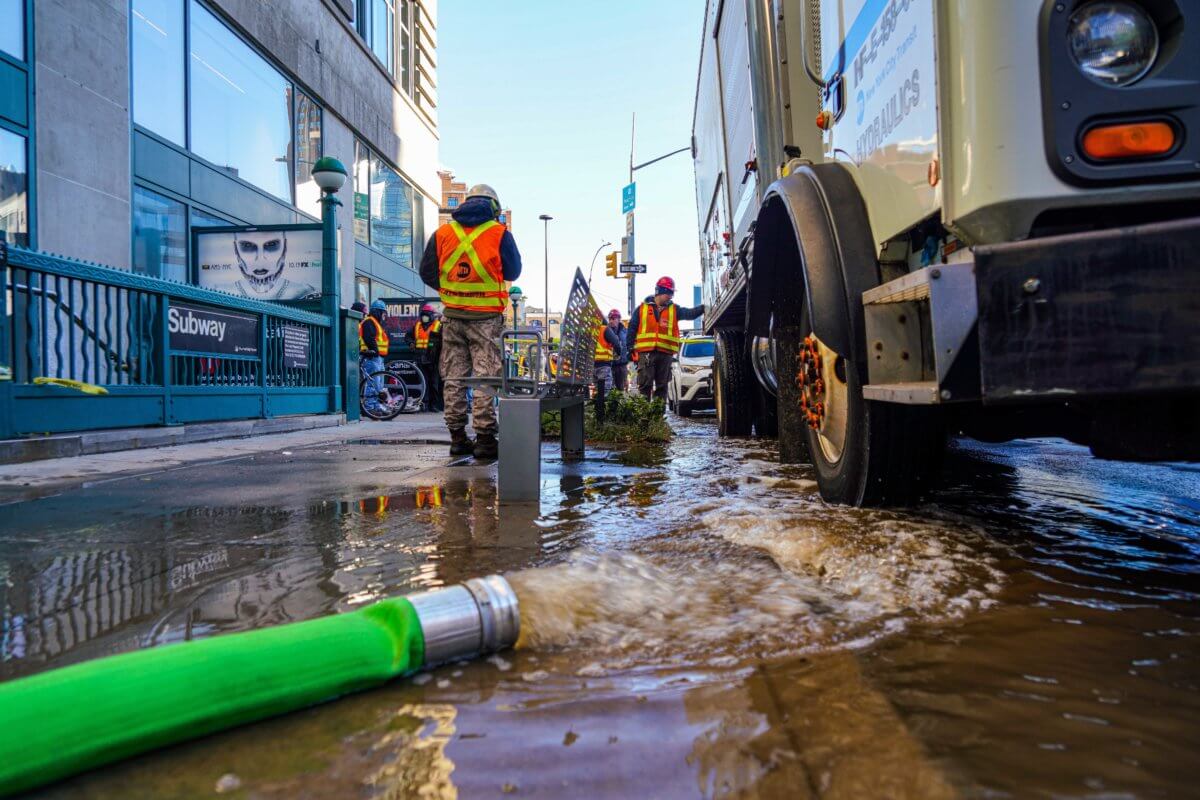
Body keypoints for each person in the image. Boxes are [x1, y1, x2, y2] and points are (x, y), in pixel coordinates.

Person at [419, 184, 521, 457]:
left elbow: (427, 272)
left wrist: (452, 290)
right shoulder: (499, 233)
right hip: (486, 319)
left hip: (452, 317)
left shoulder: (443, 233)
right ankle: (485, 440)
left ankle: (457, 438)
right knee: (485, 377)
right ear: (495, 209)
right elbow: (514, 270)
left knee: (454, 377)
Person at [627, 276, 704, 404]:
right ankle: (644, 417)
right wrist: (630, 348)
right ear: (660, 291)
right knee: (645, 386)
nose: (671, 296)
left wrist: (704, 307)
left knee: (662, 387)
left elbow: (690, 314)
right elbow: (632, 328)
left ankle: (658, 418)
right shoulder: (641, 309)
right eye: (669, 293)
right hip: (646, 354)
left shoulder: (674, 309)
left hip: (665, 354)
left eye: (672, 293)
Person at [407, 303, 443, 411]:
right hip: (420, 359)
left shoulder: (438, 326)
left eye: (427, 315)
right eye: (423, 315)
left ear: (432, 316)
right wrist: (411, 344)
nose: (424, 317)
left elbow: (443, 342)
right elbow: (408, 337)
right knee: (424, 382)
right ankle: (425, 404)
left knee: (434, 383)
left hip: (433, 359)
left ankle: (434, 405)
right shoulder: (417, 326)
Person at [358, 299, 390, 417]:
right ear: (377, 312)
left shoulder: (374, 322)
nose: (384, 315)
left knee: (378, 384)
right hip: (372, 357)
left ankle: (376, 406)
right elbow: (369, 338)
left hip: (377, 357)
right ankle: (369, 407)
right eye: (383, 313)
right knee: (372, 383)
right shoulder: (369, 322)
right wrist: (375, 351)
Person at [592, 311, 623, 424]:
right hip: (604, 365)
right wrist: (618, 353)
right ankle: (602, 420)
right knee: (605, 392)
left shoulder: (592, 331)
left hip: (593, 366)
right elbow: (616, 343)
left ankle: (597, 417)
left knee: (598, 390)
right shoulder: (605, 329)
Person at [606, 309, 629, 392]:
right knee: (610, 389)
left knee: (621, 389)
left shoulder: (625, 332)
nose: (611, 321)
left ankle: (620, 405)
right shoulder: (606, 330)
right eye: (610, 319)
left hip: (622, 366)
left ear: (619, 319)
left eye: (613, 319)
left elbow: (628, 346)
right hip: (610, 365)